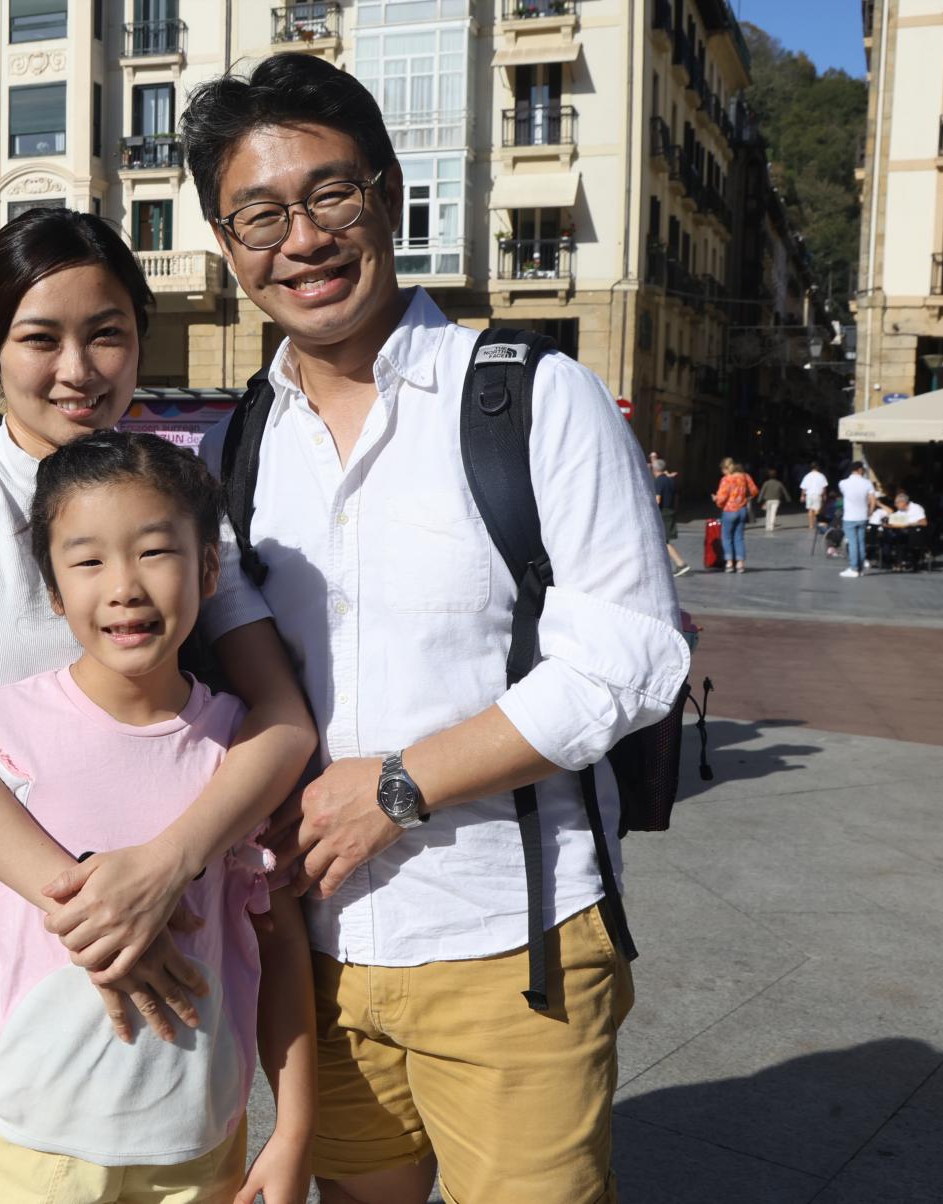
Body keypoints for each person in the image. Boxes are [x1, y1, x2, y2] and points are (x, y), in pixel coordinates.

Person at [181, 54, 687, 1204]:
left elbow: (630, 653)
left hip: (513, 944)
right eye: (259, 214)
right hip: (319, 965)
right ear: (227, 245)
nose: (299, 238)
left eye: (329, 195)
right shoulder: (235, 448)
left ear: (389, 192)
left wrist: (398, 785)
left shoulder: (529, 394)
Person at [0, 207, 316, 1204]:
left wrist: (165, 869)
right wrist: (95, 911)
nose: (78, 366)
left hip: (180, 1021)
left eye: (106, 332)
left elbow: (279, 719)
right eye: (39, 336)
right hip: (12, 955)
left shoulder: (176, 503)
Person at [0, 430, 315, 1204]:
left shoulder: (242, 749)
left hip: (197, 1145)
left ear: (207, 570)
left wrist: (293, 1133)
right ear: (54, 591)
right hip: (29, 1142)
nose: (123, 586)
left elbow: (281, 943)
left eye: (155, 552)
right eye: (88, 561)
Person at [712, 456, 758, 572]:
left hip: (729, 510)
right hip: (742, 510)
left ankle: (729, 563)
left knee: (726, 537)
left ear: (726, 468)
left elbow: (722, 498)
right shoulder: (745, 476)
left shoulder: (726, 479)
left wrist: (716, 499)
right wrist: (745, 499)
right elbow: (754, 491)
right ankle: (740, 564)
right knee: (739, 538)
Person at [838, 461, 876, 579]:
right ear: (860, 470)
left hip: (849, 517)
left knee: (853, 543)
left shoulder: (843, 483)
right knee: (861, 542)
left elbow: (846, 495)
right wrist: (870, 511)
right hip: (862, 516)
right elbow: (872, 500)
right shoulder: (867, 483)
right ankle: (860, 568)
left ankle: (854, 568)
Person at [653, 458, 689, 576]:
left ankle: (681, 564)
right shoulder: (670, 480)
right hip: (670, 511)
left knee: (663, 541)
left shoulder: (659, 481)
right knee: (661, 540)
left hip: (663, 513)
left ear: (655, 469)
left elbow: (657, 499)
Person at [799, 462, 828, 530]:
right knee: (817, 510)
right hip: (817, 494)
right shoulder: (821, 475)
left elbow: (804, 487)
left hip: (809, 495)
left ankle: (811, 525)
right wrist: (824, 495)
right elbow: (824, 487)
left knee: (810, 510)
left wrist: (802, 496)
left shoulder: (807, 476)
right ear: (817, 467)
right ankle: (816, 524)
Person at [759, 468, 790, 532]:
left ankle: (768, 526)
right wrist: (788, 498)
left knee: (768, 513)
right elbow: (784, 491)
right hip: (776, 500)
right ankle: (772, 525)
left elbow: (762, 492)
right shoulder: (779, 483)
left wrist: (759, 499)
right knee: (773, 513)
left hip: (768, 500)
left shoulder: (766, 483)